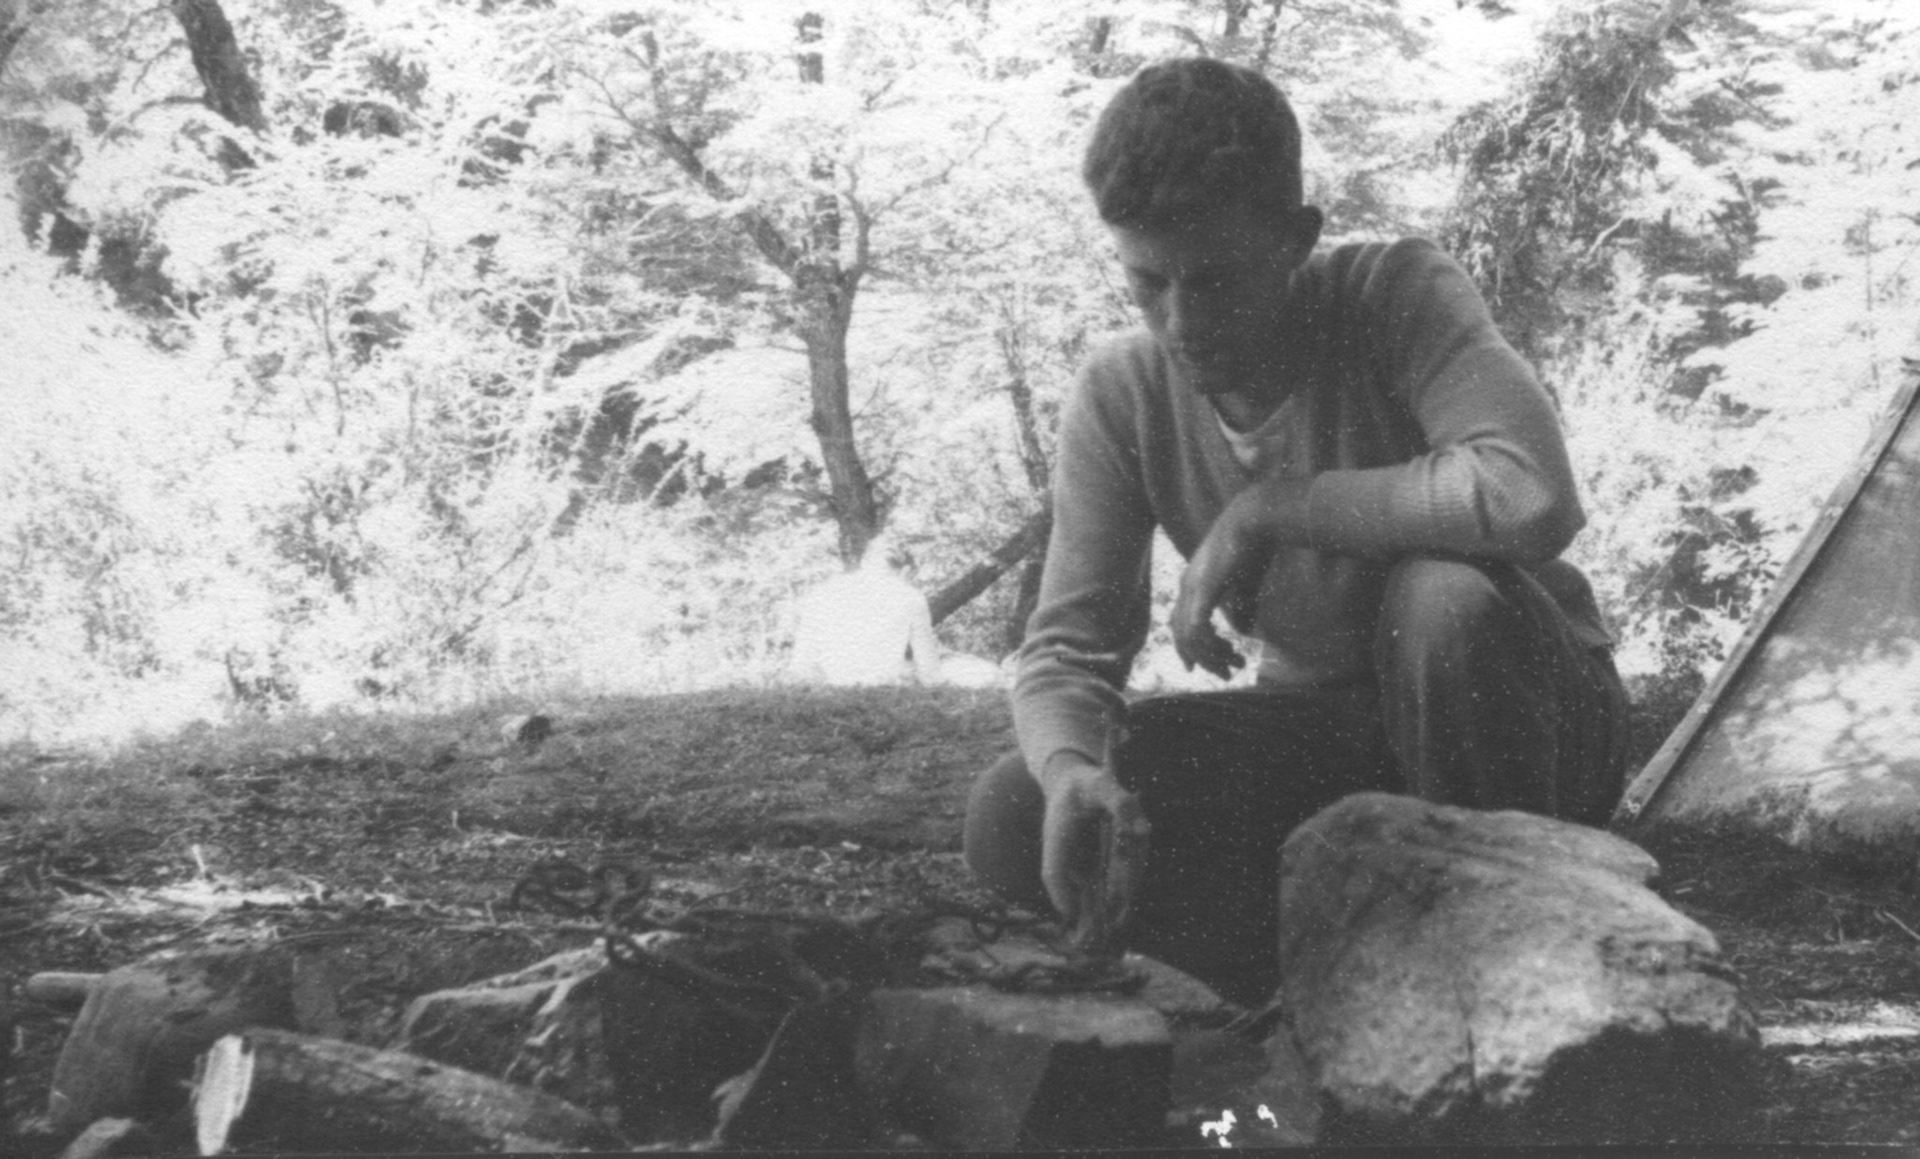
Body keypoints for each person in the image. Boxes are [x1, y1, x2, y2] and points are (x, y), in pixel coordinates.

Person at [962, 57, 1630, 1007]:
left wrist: (1272, 506)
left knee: (1438, 598)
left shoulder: (1393, 294)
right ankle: (1332, 974)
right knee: (1017, 808)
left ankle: (1512, 944)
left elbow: (1528, 495)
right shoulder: (1123, 390)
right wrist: (1073, 770)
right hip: (1338, 737)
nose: (1181, 322)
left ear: (1297, 239)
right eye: (1147, 282)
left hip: (1521, 718)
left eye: (1216, 280)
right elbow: (1069, 647)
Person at [791, 535, 943, 686]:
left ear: (864, 562)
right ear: (905, 570)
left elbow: (803, 655)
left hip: (831, 689)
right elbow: (926, 660)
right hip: (880, 692)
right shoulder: (912, 598)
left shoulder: (826, 590)